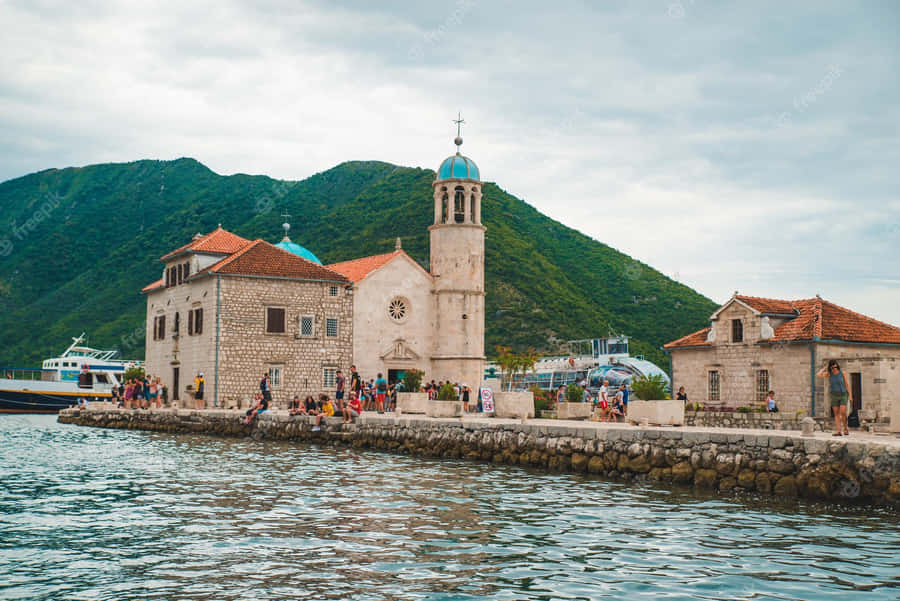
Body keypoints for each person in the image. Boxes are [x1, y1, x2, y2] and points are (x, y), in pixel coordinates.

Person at [817, 360, 851, 436]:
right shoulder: (829, 374)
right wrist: (825, 367)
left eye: (835, 367)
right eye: (832, 367)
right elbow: (818, 375)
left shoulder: (842, 373)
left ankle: (845, 428)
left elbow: (847, 384)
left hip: (843, 394)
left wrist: (850, 396)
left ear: (837, 366)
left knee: (843, 412)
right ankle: (839, 431)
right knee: (836, 414)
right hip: (834, 395)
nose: (834, 369)